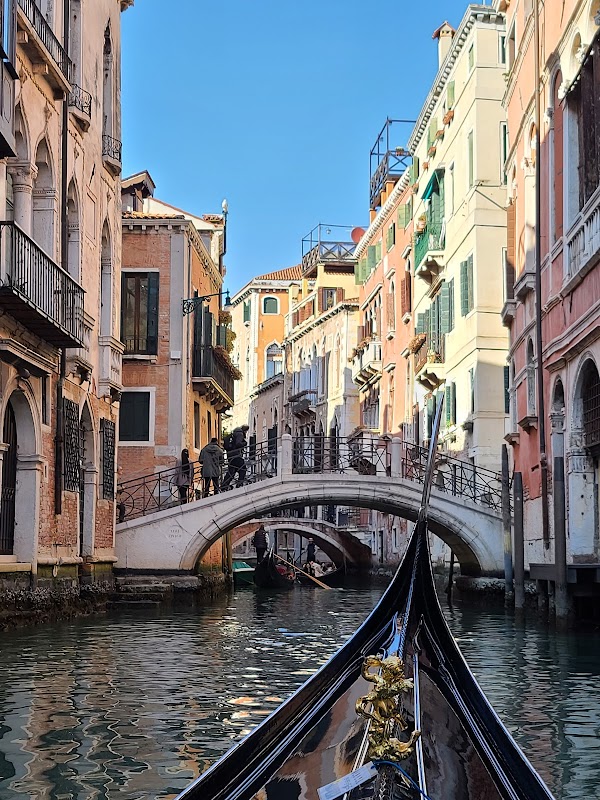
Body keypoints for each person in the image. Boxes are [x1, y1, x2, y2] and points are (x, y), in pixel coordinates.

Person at [222, 424, 249, 489]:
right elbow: (238, 443)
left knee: (231, 472)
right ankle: (239, 484)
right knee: (243, 469)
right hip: (236, 455)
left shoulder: (233, 434)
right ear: (245, 430)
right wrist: (245, 443)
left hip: (230, 456)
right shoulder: (240, 434)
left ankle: (224, 486)